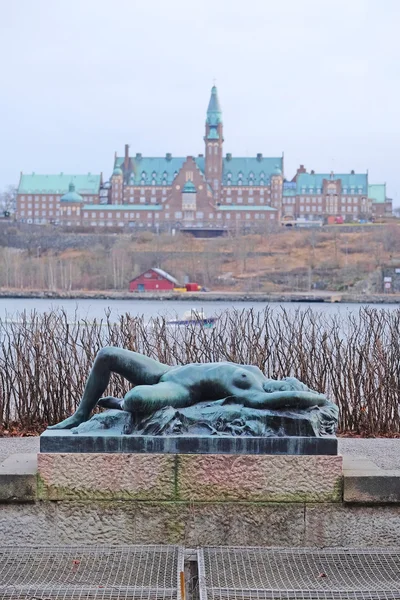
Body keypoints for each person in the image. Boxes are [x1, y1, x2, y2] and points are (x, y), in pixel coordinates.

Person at [49, 347, 331, 429]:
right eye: (286, 380)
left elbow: (290, 398)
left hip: (180, 389)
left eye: (286, 386)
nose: (283, 382)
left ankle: (121, 405)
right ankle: (80, 415)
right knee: (106, 354)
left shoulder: (253, 393)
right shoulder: (256, 373)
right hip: (166, 369)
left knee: (135, 399)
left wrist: (318, 398)